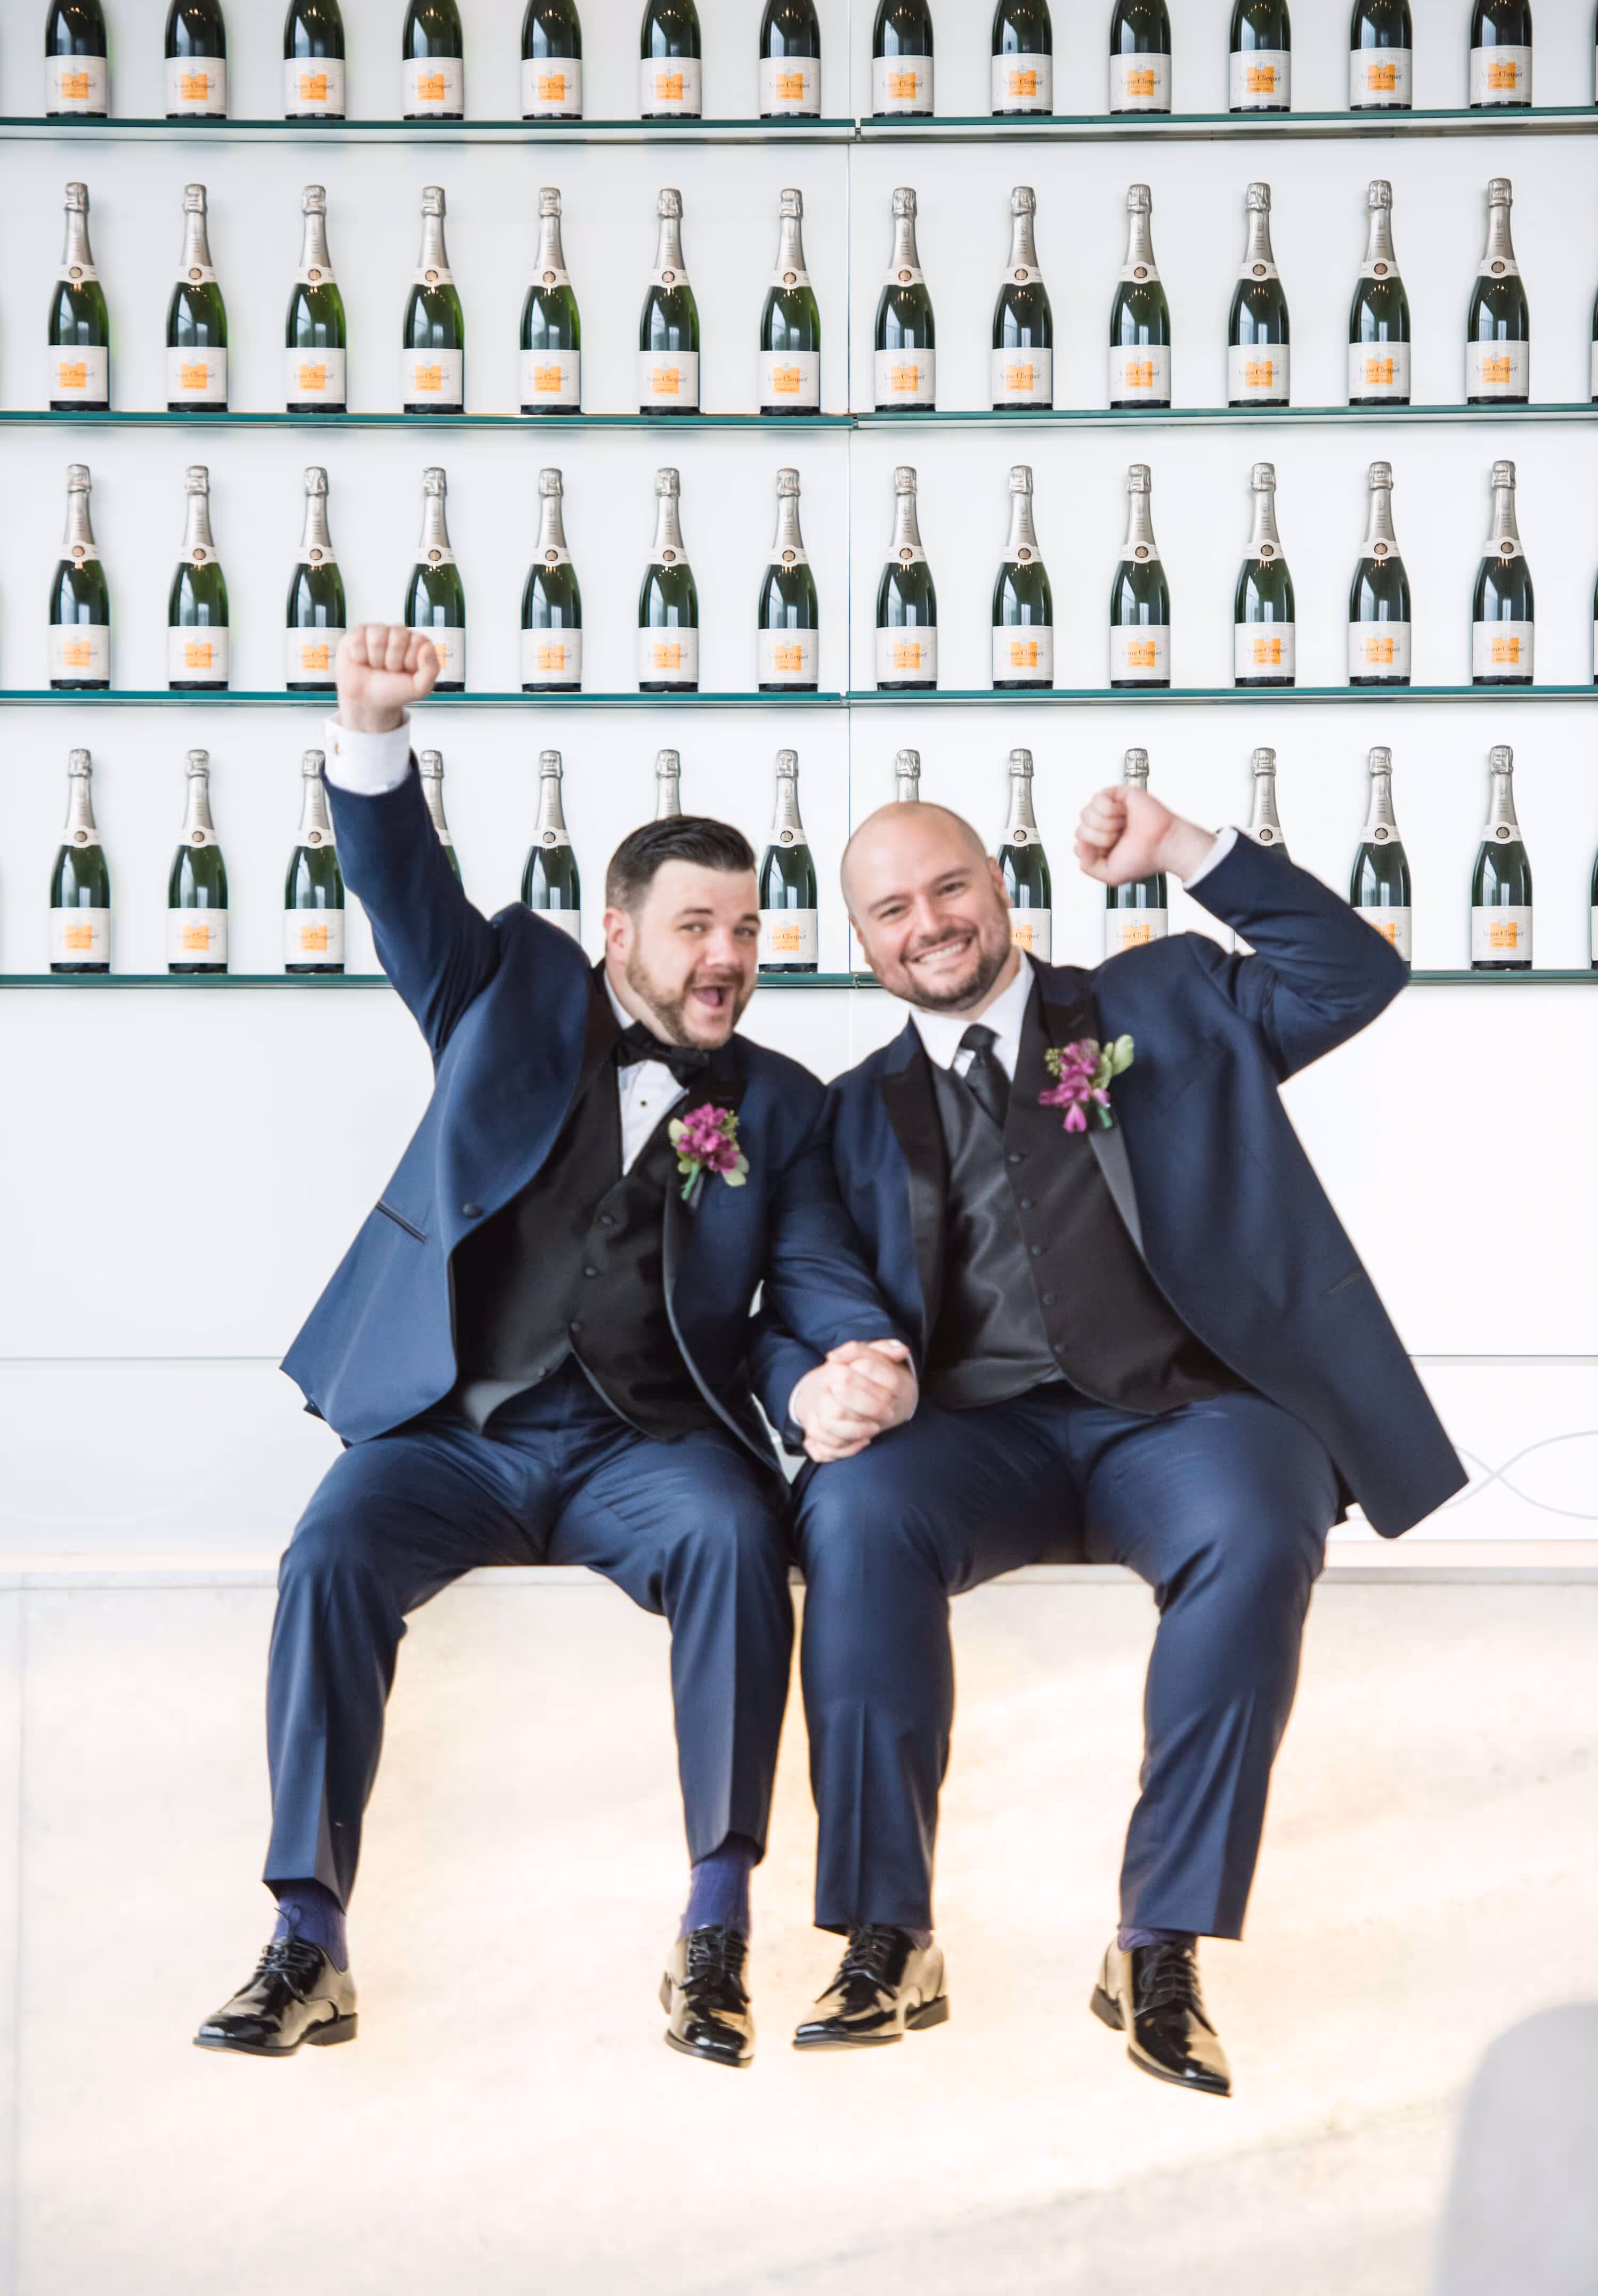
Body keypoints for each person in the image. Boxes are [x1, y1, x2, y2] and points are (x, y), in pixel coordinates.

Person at [195, 625, 915, 2068]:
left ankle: (717, 1927)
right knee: (328, 1551)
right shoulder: (507, 989)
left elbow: (816, 1274)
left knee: (734, 1540)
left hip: (645, 1450)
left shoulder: (784, 1103)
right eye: (696, 926)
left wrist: (866, 1353)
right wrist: (373, 734)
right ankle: (305, 1936)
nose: (726, 956)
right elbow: (404, 891)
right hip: (452, 1431)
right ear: (620, 932)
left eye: (748, 929)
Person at [753, 779, 1466, 2092]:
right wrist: (840, 1370)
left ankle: (1160, 1944)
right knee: (849, 1512)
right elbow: (802, 1285)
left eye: (951, 887)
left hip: (1191, 1416)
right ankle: (886, 1934)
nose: (932, 925)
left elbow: (1355, 974)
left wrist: (1186, 851)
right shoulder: (847, 1113)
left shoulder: (1167, 1000)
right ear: (862, 945)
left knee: (1262, 1526)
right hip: (979, 1442)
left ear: (1000, 887)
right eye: (893, 910)